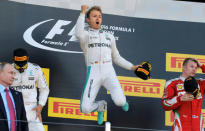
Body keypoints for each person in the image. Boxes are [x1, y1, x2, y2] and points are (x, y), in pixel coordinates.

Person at [75, 5, 140, 125]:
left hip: (108, 71)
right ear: (88, 20)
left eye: (99, 16)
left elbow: (117, 57)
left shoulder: (109, 37)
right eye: (94, 16)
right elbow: (78, 33)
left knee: (120, 102)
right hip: (93, 71)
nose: (97, 18)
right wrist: (82, 13)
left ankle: (124, 102)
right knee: (84, 108)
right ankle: (101, 106)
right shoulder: (85, 36)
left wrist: (132, 67)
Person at [10, 48, 49, 131]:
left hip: (32, 109)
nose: (21, 66)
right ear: (13, 59)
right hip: (13, 108)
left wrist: (41, 105)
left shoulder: (35, 69)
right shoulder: (7, 70)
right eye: (18, 63)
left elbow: (44, 89)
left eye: (23, 63)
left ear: (28, 58)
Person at [161, 58, 205, 131]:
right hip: (180, 127)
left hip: (198, 128)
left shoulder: (200, 83)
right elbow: (165, 104)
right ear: (184, 67)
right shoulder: (172, 83)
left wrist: (202, 66)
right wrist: (179, 99)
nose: (194, 69)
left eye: (196, 67)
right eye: (191, 66)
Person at [0, 62, 28, 131]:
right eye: (10, 73)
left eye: (14, 73)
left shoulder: (18, 95)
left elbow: (23, 122)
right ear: (0, 73)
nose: (13, 77)